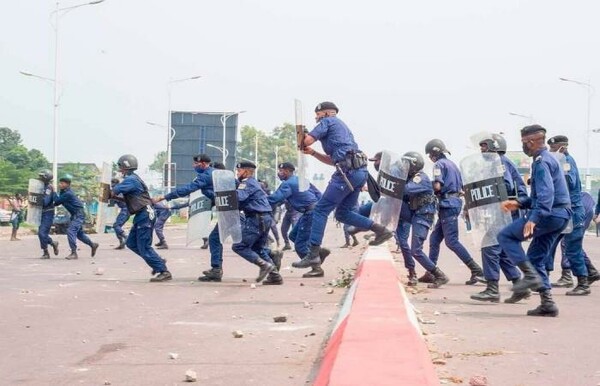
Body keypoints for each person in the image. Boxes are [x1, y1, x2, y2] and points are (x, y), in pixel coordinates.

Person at [292, 102, 393, 272]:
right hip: (358, 173)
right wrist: (314, 153)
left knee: (320, 210)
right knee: (343, 213)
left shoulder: (327, 122)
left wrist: (302, 134)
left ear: (324, 113)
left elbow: (306, 141)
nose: (316, 118)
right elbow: (334, 161)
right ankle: (380, 230)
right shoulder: (341, 128)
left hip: (347, 173)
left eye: (317, 115)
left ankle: (314, 253)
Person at [497, 125, 571, 317]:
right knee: (535, 258)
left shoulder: (541, 162)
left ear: (530, 142)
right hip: (560, 216)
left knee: (505, 236)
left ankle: (528, 277)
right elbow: (540, 197)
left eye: (523, 143)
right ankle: (548, 303)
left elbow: (547, 194)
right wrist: (519, 203)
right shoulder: (548, 159)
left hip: (550, 215)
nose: (523, 146)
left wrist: (534, 218)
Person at [470, 133, 527, 303]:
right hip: (504, 210)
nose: (482, 150)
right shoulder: (497, 162)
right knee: (501, 249)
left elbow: (506, 185)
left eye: (484, 146)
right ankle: (520, 285)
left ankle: (492, 289)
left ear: (494, 146)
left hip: (507, 210)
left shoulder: (500, 161)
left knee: (489, 246)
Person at [423, 138, 484, 285]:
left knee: (451, 241)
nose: (430, 158)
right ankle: (431, 272)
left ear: (433, 153)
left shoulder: (439, 165)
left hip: (448, 204)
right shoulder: (453, 165)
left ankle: (477, 270)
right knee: (434, 239)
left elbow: (437, 186)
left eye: (430, 155)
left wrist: (426, 189)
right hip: (453, 202)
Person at [153, 154, 223, 281]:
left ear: (202, 164)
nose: (193, 166)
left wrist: (165, 197)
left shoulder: (206, 175)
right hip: (229, 209)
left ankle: (268, 262)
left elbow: (188, 189)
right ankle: (216, 269)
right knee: (216, 239)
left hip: (234, 211)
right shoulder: (216, 174)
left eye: (196, 164)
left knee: (244, 243)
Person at [112, 154, 171, 282]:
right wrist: (114, 196)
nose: (119, 170)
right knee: (131, 243)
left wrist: (110, 188)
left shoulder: (131, 180)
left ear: (125, 166)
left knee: (144, 246)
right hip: (141, 215)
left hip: (145, 214)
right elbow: (129, 198)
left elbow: (115, 190)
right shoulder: (133, 179)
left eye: (120, 167)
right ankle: (158, 261)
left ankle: (163, 270)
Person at [545, 135, 590, 295]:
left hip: (574, 211)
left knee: (572, 248)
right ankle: (590, 273)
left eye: (553, 148)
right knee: (555, 245)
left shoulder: (566, 161)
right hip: (564, 211)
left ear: (562, 148)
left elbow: (569, 181)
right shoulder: (561, 161)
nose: (551, 151)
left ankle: (583, 284)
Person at [401, 151, 449, 288]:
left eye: (406, 164)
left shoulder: (419, 178)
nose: (404, 167)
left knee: (416, 250)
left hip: (423, 215)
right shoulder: (412, 178)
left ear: (414, 165)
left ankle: (440, 275)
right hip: (417, 214)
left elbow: (405, 191)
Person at [268, 162, 324, 277]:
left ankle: (316, 267)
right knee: (293, 235)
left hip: (310, 213)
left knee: (300, 245)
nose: (279, 173)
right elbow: (318, 194)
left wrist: (258, 201)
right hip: (314, 211)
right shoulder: (301, 180)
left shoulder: (287, 184)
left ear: (288, 171)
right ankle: (318, 253)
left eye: (281, 171)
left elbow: (275, 199)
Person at [232, 161, 283, 285]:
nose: (237, 173)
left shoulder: (246, 183)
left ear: (246, 171)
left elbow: (239, 197)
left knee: (239, 246)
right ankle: (275, 276)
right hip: (264, 218)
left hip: (256, 218)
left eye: (239, 171)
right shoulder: (253, 182)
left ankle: (264, 265)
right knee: (258, 248)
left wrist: (227, 190)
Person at [53, 174, 99, 260]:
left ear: (68, 184)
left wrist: (53, 192)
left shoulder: (68, 193)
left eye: (62, 183)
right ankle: (93, 245)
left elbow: (57, 202)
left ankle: (74, 253)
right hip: (75, 214)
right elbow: (57, 202)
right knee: (79, 234)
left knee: (71, 231)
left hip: (78, 214)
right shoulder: (64, 192)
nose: (60, 185)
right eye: (60, 183)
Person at [37, 170, 59, 259]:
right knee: (41, 233)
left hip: (47, 213)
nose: (39, 178)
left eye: (42, 177)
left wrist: (38, 197)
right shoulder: (40, 187)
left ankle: (46, 252)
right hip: (40, 213)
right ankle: (52, 243)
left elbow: (45, 202)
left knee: (42, 233)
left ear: (46, 178)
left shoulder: (49, 188)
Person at [110, 178, 130, 250]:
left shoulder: (119, 191)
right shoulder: (117, 191)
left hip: (125, 210)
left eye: (113, 186)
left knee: (116, 226)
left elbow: (121, 198)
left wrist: (113, 196)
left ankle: (126, 237)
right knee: (116, 226)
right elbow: (111, 204)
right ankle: (122, 243)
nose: (112, 187)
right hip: (125, 210)